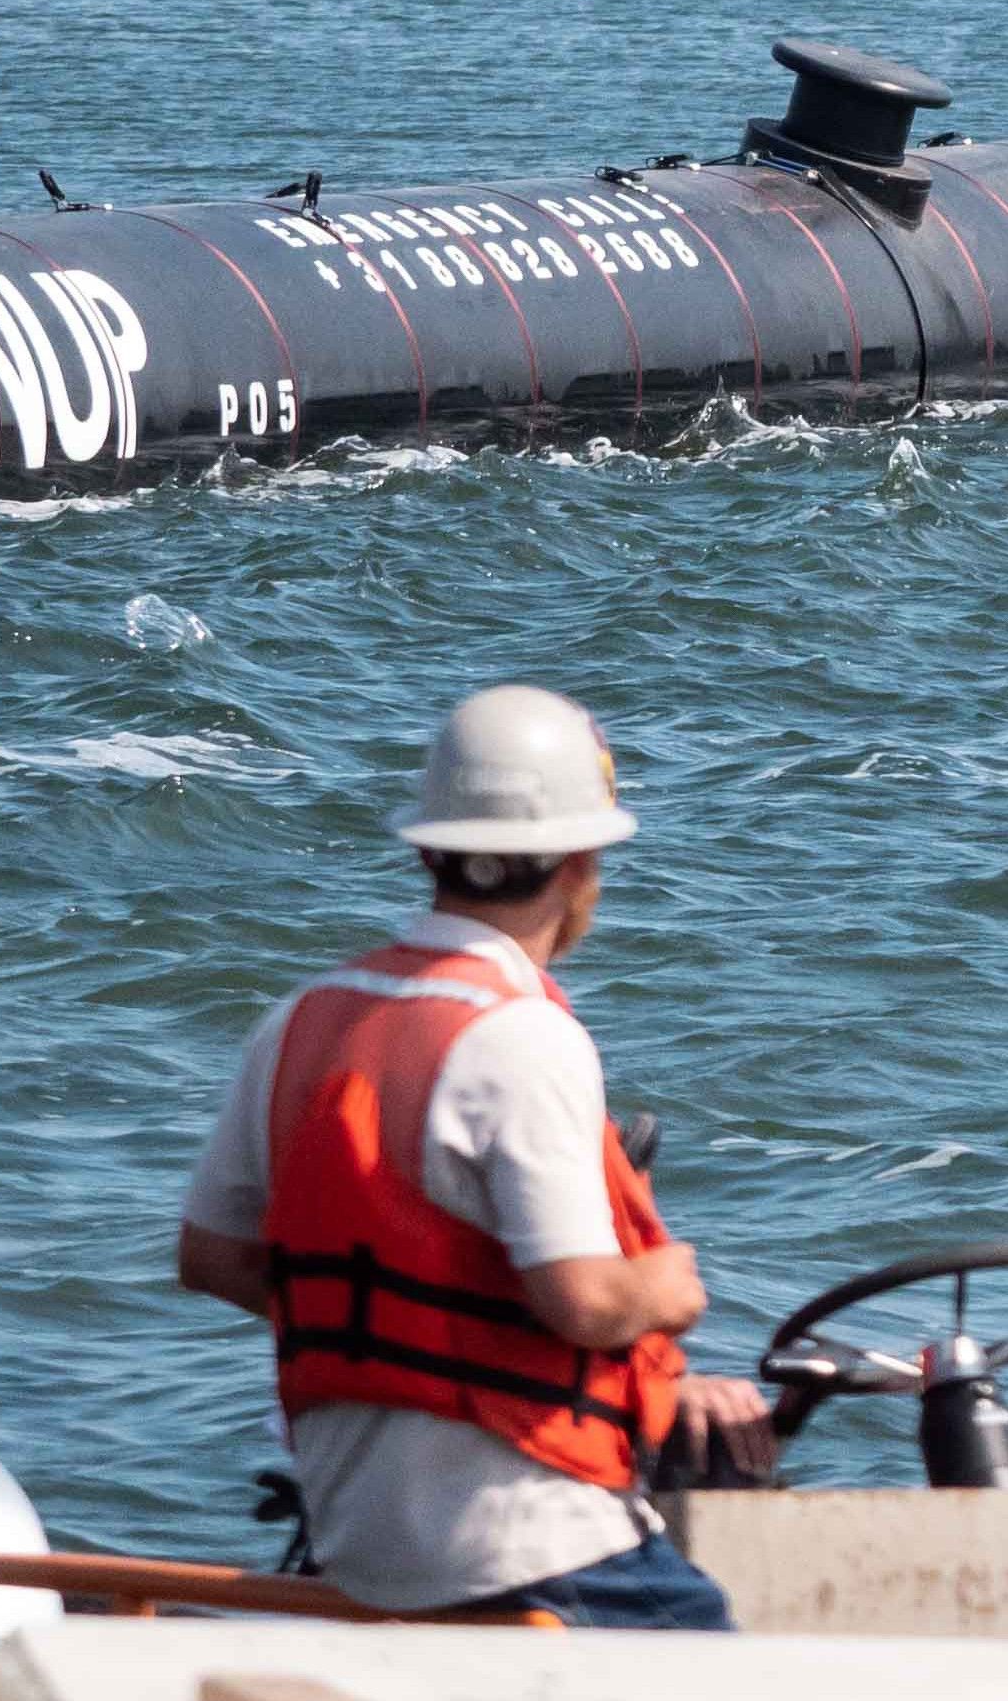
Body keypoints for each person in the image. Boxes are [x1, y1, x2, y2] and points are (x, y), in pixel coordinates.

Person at [172, 684, 774, 1625]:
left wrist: (398, 1343)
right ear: (582, 863)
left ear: (427, 847)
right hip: (520, 1539)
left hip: (350, 1530)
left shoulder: (303, 1018)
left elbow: (211, 1256)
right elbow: (583, 1299)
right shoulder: (524, 1036)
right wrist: (672, 1287)